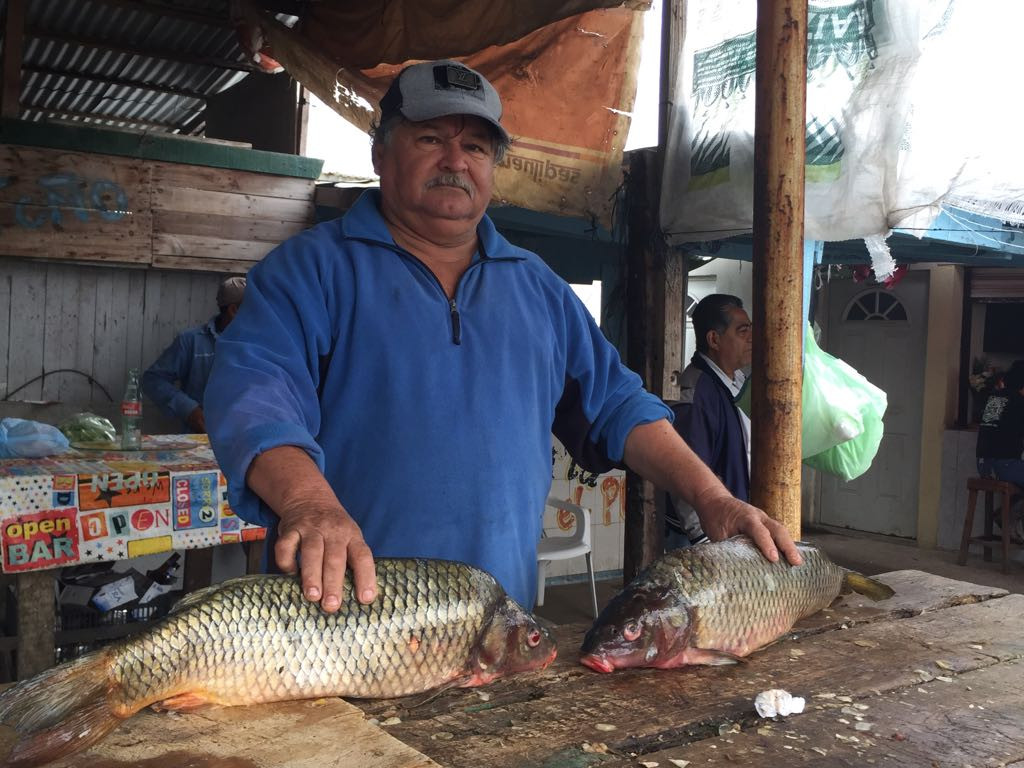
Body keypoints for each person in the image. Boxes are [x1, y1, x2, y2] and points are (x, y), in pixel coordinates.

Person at [204, 60, 800, 615]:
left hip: (495, 626)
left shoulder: (537, 288)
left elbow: (620, 404)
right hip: (341, 617)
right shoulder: (309, 270)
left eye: (476, 146)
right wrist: (311, 504)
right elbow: (256, 394)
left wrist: (714, 498)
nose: (455, 160)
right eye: (430, 138)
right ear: (381, 152)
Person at [665, 294, 752, 550]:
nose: (751, 338)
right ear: (714, 339)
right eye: (742, 331)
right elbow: (682, 468)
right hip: (704, 536)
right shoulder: (695, 393)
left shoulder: (735, 381)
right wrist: (702, 541)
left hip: (731, 522)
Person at [142, 276, 246, 433]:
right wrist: (188, 408)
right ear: (233, 311)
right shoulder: (192, 341)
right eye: (254, 310)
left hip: (246, 440)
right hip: (202, 442)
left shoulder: (261, 345)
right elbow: (153, 379)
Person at [976, 360, 1024, 542]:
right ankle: (1008, 515)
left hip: (984, 465)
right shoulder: (1019, 402)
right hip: (1003, 465)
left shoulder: (995, 397)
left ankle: (1005, 514)